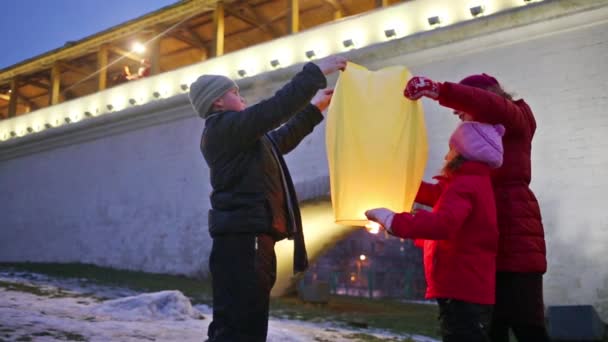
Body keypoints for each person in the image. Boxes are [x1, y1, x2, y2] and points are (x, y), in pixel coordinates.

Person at [187, 55, 347, 342]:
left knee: (243, 320)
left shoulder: (241, 137)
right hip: (243, 238)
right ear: (217, 102)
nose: (242, 96)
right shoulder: (224, 128)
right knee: (242, 324)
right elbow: (274, 110)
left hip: (247, 237)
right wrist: (314, 73)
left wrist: (314, 109)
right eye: (234, 92)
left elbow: (280, 138)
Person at [403, 74, 549, 341]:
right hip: (482, 249)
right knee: (492, 329)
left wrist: (439, 91)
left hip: (516, 242)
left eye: (462, 110)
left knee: (528, 327)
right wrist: (403, 186)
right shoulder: (472, 163)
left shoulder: (517, 118)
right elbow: (450, 196)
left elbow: (491, 106)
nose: (458, 115)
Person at [366, 121, 505, 342]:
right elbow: (436, 195)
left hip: (462, 286)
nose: (445, 156)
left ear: (464, 154)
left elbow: (443, 224)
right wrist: (400, 184)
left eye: (451, 149)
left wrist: (392, 220)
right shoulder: (470, 182)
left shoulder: (465, 185)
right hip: (466, 285)